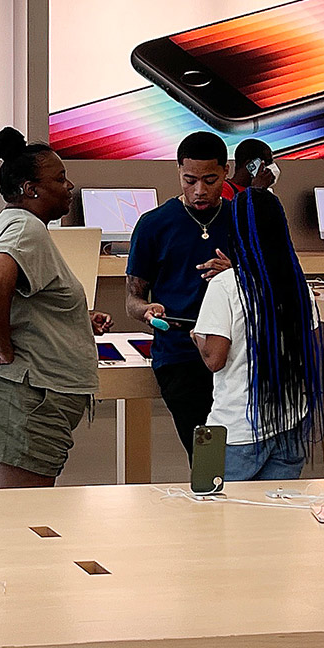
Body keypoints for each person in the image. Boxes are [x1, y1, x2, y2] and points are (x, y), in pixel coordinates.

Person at [0, 128, 112, 488]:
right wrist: (2, 344)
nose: (69, 186)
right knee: (22, 519)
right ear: (31, 189)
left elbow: (24, 300)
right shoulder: (25, 227)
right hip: (26, 394)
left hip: (31, 395)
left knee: (24, 515)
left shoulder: (22, 225)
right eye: (60, 179)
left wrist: (75, 319)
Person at [193, 174, 320, 481]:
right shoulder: (297, 285)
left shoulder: (225, 285)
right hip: (291, 426)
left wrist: (197, 336)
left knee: (212, 521)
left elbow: (215, 359)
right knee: (278, 524)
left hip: (233, 432)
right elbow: (313, 351)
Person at [125, 133, 233, 452]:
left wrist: (236, 275)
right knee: (207, 452)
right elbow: (132, 298)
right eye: (190, 180)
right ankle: (212, 500)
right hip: (180, 354)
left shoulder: (242, 220)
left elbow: (269, 285)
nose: (199, 190)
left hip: (235, 351)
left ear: (226, 171)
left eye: (210, 180)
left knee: (238, 450)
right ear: (178, 173)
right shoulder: (154, 225)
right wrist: (146, 310)